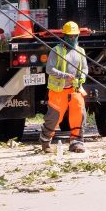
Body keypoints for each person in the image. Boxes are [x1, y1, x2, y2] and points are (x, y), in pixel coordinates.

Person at [40, 21, 88, 153]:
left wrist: (83, 77)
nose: (72, 38)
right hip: (58, 91)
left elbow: (84, 68)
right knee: (54, 117)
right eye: (69, 36)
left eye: (74, 36)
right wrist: (64, 75)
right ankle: (45, 140)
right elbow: (49, 69)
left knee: (79, 113)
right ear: (64, 36)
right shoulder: (56, 51)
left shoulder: (80, 51)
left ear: (78, 36)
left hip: (75, 89)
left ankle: (76, 142)